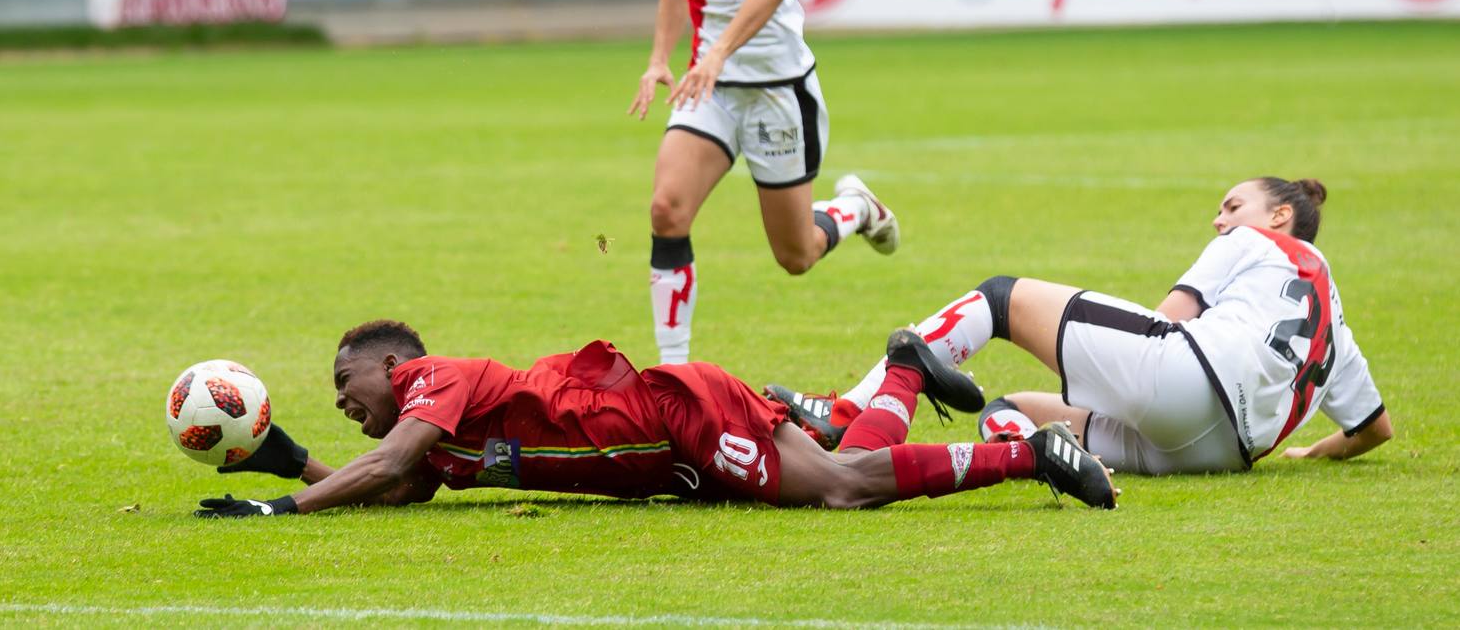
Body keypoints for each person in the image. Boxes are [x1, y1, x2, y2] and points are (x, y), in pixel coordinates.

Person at [769, 178, 1390, 477]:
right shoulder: (1335, 321)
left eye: (1232, 206)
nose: (1219, 220)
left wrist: (1113, 366)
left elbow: (1170, 319)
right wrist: (1312, 450)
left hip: (1184, 380)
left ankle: (851, 413)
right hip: (1217, 454)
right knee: (1010, 407)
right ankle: (1043, 457)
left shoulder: (1253, 241)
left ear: (1279, 215)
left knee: (999, 298)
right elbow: (1372, 431)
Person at [194, 319, 1117, 518]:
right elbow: (392, 491)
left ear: (397, 368)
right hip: (670, 461)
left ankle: (1030, 454)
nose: (340, 397)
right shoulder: (443, 445)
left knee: (836, 491)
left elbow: (396, 458)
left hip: (675, 414)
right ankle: (905, 372)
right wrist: (288, 463)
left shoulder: (438, 381)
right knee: (834, 468)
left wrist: (281, 514)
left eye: (344, 381)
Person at [626, 0, 896, 368]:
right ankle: (674, 375)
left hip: (775, 90)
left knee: (795, 255)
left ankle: (854, 208)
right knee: (667, 208)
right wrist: (657, 61)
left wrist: (718, 50)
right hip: (711, 88)